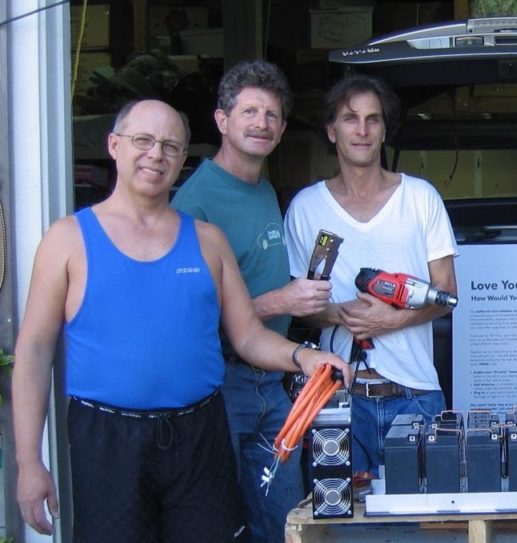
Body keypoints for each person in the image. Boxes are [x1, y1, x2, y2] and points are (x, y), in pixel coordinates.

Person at [12, 99, 352, 542]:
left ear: (183, 159)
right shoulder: (67, 240)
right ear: (114, 146)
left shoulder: (208, 242)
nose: (156, 154)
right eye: (143, 141)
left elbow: (247, 335)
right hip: (108, 439)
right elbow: (35, 353)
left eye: (170, 146)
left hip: (199, 436)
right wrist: (29, 463)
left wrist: (303, 356)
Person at [171, 60, 330, 542]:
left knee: (286, 522)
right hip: (222, 387)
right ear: (222, 121)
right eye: (249, 111)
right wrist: (281, 299)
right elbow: (190, 319)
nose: (261, 122)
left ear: (282, 130)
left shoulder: (261, 189)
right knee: (224, 523)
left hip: (272, 383)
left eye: (272, 115)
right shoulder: (194, 205)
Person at [283, 74, 457, 477]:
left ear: (383, 131)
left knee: (426, 528)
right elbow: (299, 308)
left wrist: (391, 319)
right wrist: (339, 314)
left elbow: (447, 292)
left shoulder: (420, 198)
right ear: (331, 130)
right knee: (339, 528)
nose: (361, 130)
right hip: (337, 398)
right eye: (350, 118)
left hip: (415, 396)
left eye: (372, 119)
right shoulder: (306, 208)